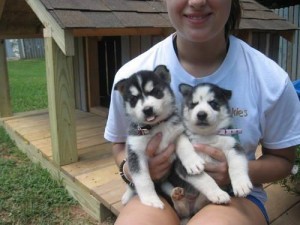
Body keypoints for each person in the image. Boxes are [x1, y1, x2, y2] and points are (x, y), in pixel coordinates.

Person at [104, 0, 300, 224]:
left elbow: (283, 160)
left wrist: (235, 170)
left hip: (233, 194)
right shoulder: (130, 77)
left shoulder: (270, 79)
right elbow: (121, 143)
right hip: (161, 190)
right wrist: (130, 170)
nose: (196, 1)